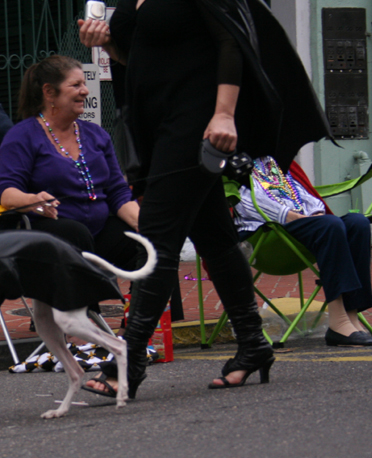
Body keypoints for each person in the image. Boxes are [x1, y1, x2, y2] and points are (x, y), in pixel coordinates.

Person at [77, 0, 333, 397]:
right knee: (214, 235)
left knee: (156, 237)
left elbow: (231, 40)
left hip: (196, 120)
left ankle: (129, 360)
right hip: (155, 123)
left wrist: (224, 114)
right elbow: (140, 55)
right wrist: (106, 43)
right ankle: (253, 344)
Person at [0, 55, 143, 275]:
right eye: (76, 85)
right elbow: (7, 194)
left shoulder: (96, 134)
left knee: (146, 244)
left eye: (84, 84)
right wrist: (33, 200)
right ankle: (89, 298)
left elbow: (117, 190)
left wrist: (143, 223)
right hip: (49, 234)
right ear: (49, 92)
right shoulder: (22, 136)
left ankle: (147, 299)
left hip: (96, 231)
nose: (85, 91)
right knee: (76, 233)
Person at [234, 156, 372, 346]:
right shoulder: (233, 163)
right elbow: (245, 203)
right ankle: (338, 321)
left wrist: (315, 212)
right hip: (267, 235)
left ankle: (351, 316)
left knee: (358, 223)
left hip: (303, 227)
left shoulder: (274, 161)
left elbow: (301, 192)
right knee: (330, 225)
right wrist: (293, 216)